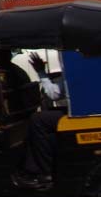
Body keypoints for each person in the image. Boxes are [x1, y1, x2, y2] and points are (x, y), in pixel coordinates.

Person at [12, 52, 67, 189]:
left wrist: (41, 72)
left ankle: (44, 171)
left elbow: (53, 94)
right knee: (40, 120)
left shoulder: (74, 70)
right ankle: (32, 168)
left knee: (38, 120)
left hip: (79, 114)